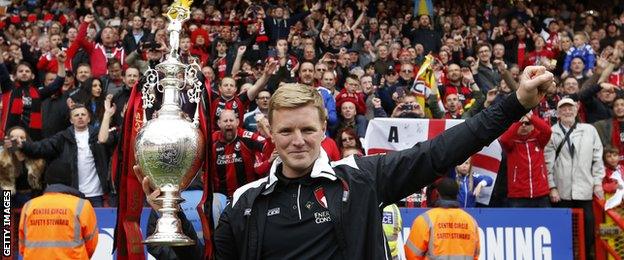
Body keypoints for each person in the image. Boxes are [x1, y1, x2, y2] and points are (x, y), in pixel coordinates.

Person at [137, 64, 553, 259]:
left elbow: (443, 149)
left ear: (323, 128)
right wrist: (169, 217)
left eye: (306, 130)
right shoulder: (246, 200)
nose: (297, 141)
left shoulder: (362, 178)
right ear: (270, 134)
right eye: (285, 132)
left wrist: (515, 104)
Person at [7, 104, 112, 207]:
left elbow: (110, 141)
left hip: (96, 194)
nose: (80, 117)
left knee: (96, 223)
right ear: (71, 120)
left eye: (83, 114)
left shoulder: (99, 135)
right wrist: (23, 145)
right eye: (76, 115)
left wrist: (108, 114)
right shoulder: (62, 137)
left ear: (89, 119)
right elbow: (42, 147)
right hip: (72, 192)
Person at [544, 97, 604, 257]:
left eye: (570, 108)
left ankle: (583, 256)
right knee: (563, 231)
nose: (567, 111)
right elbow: (546, 162)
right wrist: (552, 187)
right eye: (563, 109)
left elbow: (598, 158)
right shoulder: (551, 132)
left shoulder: (589, 130)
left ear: (576, 110)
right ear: (557, 113)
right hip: (561, 191)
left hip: (585, 189)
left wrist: (598, 183)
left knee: (588, 229)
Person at [18, 160, 98, 259]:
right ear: (70, 181)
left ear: (47, 182)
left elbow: (22, 245)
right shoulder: (82, 205)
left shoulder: (29, 206)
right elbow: (91, 244)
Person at [404, 178, 480, 259]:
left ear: (437, 193)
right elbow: (475, 254)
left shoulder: (425, 219)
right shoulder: (471, 221)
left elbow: (411, 254)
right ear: (457, 194)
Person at [499, 112, 553, 207]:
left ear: (533, 126)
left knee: (543, 222)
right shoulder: (512, 142)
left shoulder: (538, 141)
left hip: (541, 194)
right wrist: (519, 120)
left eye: (527, 123)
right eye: (521, 124)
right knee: (518, 222)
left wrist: (530, 117)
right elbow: (504, 139)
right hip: (518, 196)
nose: (524, 126)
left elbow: (547, 131)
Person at [0, 126, 46, 208]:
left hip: (31, 196)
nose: (18, 140)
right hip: (7, 197)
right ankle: (6, 220)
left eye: (22, 137)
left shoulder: (37, 159)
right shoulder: (2, 158)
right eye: (14, 137)